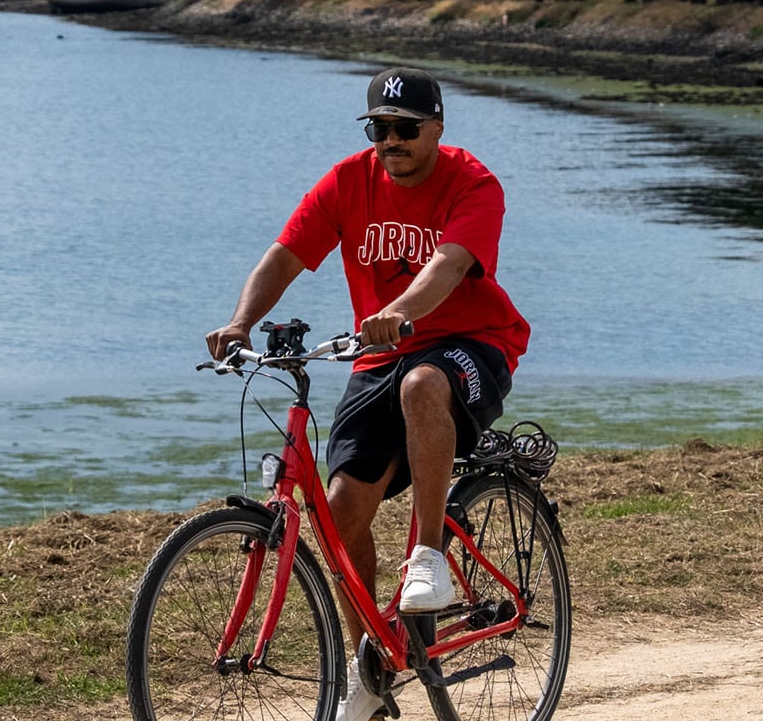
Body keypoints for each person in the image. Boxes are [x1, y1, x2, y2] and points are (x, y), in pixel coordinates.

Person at [207, 68, 531, 633]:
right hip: (381, 352)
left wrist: (401, 310)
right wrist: (240, 324)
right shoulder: (347, 182)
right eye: (379, 128)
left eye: (405, 128)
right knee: (339, 515)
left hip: (474, 346)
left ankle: (428, 558)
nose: (391, 141)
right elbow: (285, 256)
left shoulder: (473, 183)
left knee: (423, 384)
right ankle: (366, 665)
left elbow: (449, 264)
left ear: (436, 128)